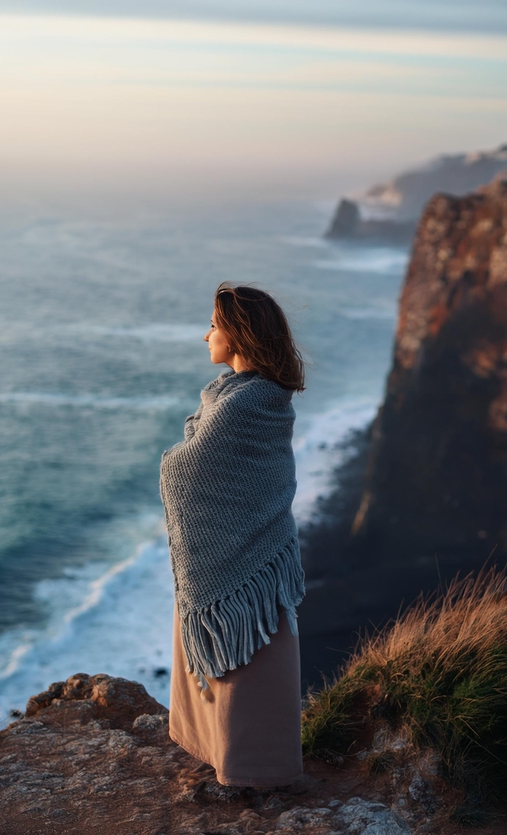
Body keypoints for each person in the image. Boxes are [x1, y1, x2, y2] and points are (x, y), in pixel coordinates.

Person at [159, 283, 306, 788]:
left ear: (239, 334)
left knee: (250, 668)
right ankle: (220, 751)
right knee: (239, 661)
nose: (206, 336)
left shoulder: (248, 404)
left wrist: (173, 463)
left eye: (214, 326)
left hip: (250, 563)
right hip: (245, 553)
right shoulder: (236, 394)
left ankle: (256, 770)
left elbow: (188, 470)